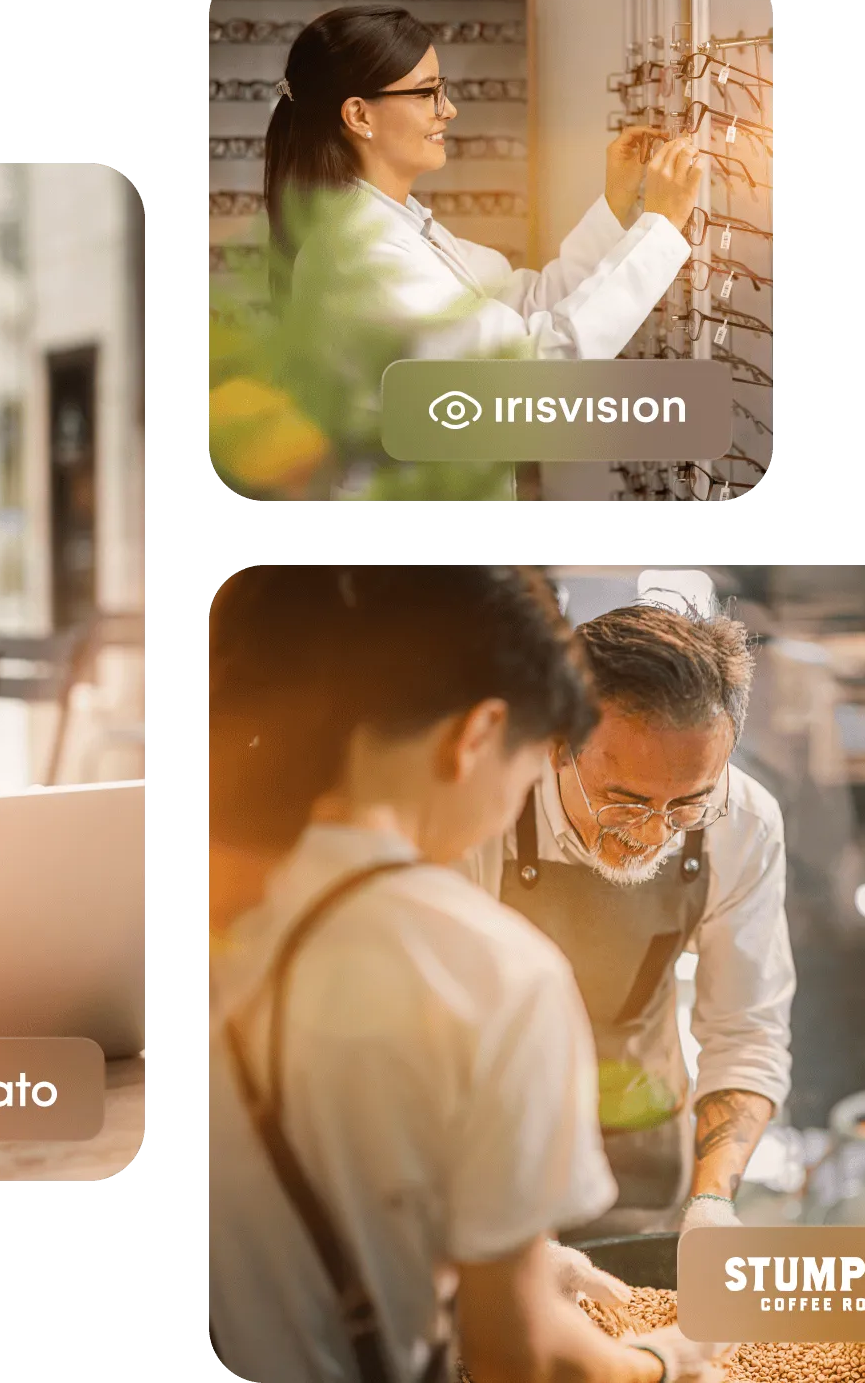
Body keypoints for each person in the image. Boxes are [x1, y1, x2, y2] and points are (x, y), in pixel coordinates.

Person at [208, 565, 731, 1383]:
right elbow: (517, 1358)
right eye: (532, 764)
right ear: (479, 734)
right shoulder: (488, 971)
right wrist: (661, 1362)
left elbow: (343, 1188)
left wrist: (530, 1258)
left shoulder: (208, 909)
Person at [459, 601, 795, 1242]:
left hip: (644, 1149)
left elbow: (745, 1033)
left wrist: (714, 1204)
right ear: (557, 743)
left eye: (687, 804)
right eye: (624, 801)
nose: (651, 834)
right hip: (485, 1147)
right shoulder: (481, 808)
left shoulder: (743, 822)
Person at [264, 6, 701, 366]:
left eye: (442, 89)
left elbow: (529, 305)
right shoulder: (360, 257)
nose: (449, 110)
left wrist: (618, 201)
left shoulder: (402, 227)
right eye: (426, 94)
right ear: (359, 116)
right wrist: (659, 229)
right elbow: (540, 362)